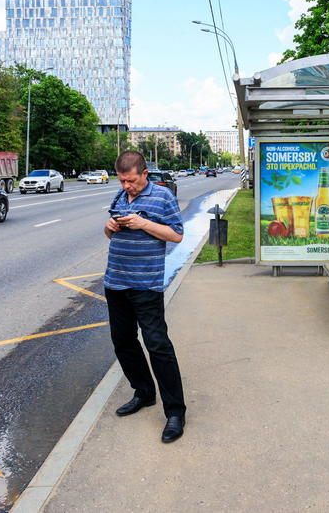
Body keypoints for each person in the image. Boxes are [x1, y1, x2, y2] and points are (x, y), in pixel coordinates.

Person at [104, 150, 187, 443]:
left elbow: (176, 235)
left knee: (157, 345)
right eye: (122, 181)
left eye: (131, 181)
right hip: (115, 282)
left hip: (145, 285)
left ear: (144, 174)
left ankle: (175, 412)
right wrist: (110, 227)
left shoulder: (162, 197)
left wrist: (144, 224)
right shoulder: (119, 197)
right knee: (123, 342)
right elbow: (110, 233)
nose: (126, 186)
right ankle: (144, 392)